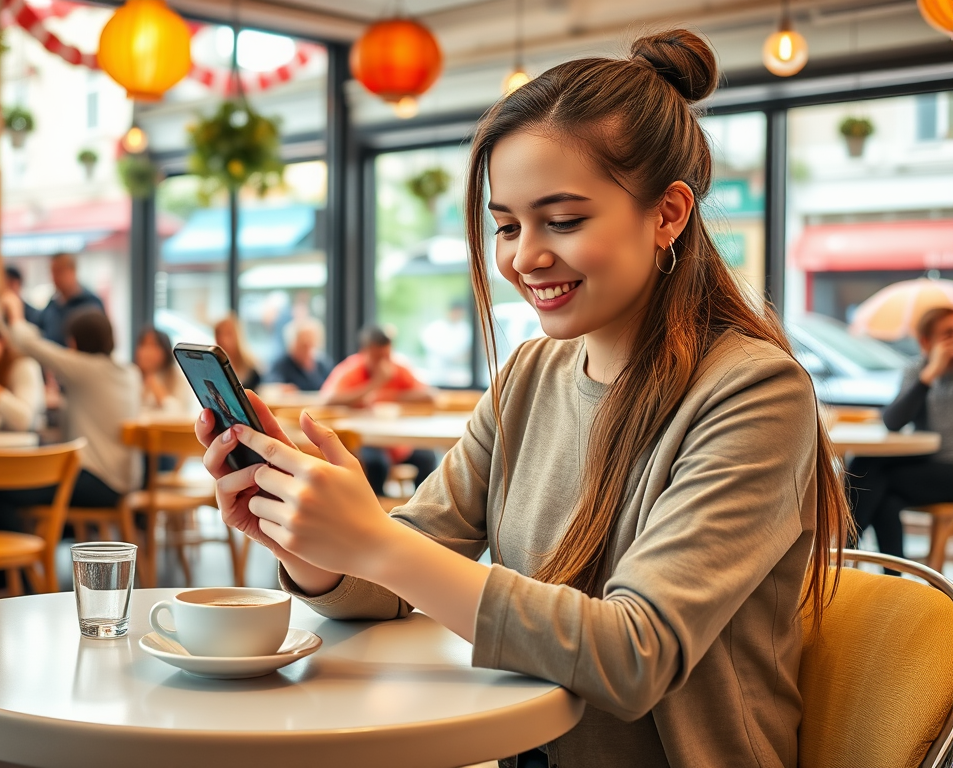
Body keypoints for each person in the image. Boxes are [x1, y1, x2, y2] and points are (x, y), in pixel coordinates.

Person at [197, 31, 851, 768]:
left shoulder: (755, 392)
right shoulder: (529, 376)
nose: (523, 256)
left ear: (668, 214)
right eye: (506, 224)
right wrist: (316, 544)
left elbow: (636, 655)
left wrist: (378, 543)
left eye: (563, 221)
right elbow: (400, 573)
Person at [0, 293, 143, 582]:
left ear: (74, 343)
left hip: (98, 480)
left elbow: (31, 345)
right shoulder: (128, 372)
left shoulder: (86, 369)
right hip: (123, 479)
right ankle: (3, 577)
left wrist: (15, 314)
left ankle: (18, 580)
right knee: (3, 488)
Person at [849, 306, 953, 565]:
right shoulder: (917, 371)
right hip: (927, 464)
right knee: (879, 487)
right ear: (925, 342)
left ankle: (845, 552)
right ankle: (894, 579)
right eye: (948, 335)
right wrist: (927, 377)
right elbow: (893, 421)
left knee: (871, 473)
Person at [320, 324, 437, 495]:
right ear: (363, 352)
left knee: (427, 458)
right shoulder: (352, 370)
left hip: (397, 442)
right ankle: (378, 513)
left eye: (387, 355)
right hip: (366, 441)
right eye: (377, 357)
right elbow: (327, 400)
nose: (383, 362)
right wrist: (375, 383)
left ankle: (419, 512)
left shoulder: (397, 368)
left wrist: (391, 395)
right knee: (376, 464)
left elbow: (430, 396)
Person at [35, 252, 106, 346]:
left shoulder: (90, 304)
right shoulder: (52, 304)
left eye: (58, 271)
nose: (54, 278)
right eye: (52, 272)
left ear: (72, 271)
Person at [134, 325, 193, 416]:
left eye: (153, 345)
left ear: (165, 350)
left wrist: (156, 388)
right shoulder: (131, 376)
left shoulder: (178, 378)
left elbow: (182, 415)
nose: (147, 351)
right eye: (143, 345)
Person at [267, 318, 332, 392]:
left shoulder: (322, 365)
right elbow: (270, 386)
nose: (307, 349)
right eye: (303, 344)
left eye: (311, 343)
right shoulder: (281, 365)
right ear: (292, 344)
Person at [214, 313, 261, 390]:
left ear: (237, 335)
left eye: (228, 334)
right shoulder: (213, 365)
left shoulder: (252, 370)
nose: (222, 339)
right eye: (218, 334)